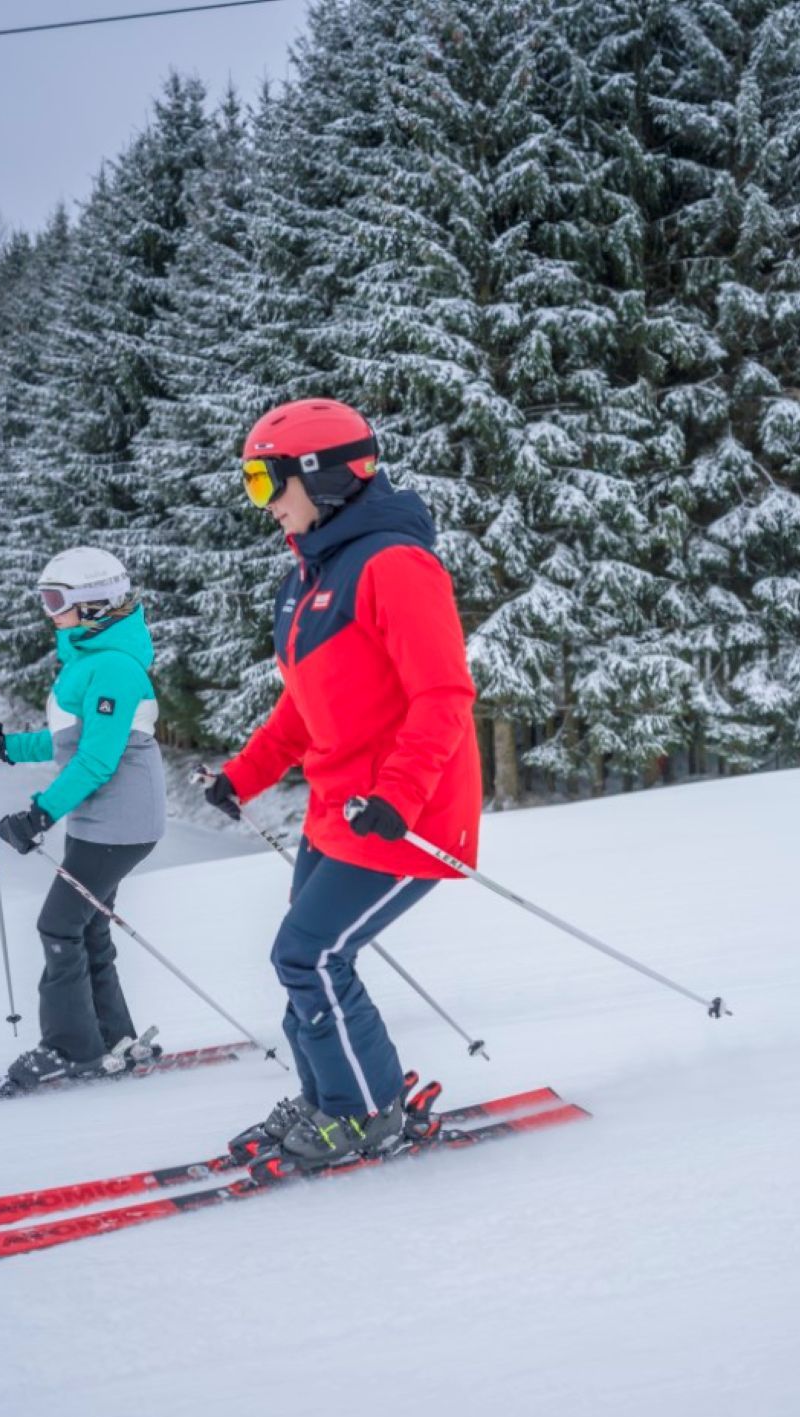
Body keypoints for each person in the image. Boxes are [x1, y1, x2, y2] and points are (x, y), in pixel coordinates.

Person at [204, 398, 482, 1173]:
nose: (263, 502)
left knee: (309, 956)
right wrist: (244, 777)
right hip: (340, 810)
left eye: (268, 480)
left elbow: (444, 697)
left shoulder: (396, 566)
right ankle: (332, 1100)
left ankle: (366, 1111)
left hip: (406, 817)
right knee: (304, 958)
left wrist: (396, 797)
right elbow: (305, 702)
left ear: (322, 477)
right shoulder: (313, 575)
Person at [0, 546, 167, 1092]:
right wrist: (4, 745)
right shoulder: (91, 659)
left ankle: (69, 1047)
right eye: (45, 598)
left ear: (94, 605)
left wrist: (38, 815)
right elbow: (66, 744)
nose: (48, 610)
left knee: (58, 924)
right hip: (103, 821)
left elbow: (96, 759)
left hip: (121, 822)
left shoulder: (115, 667)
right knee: (86, 924)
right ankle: (111, 1037)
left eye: (57, 600)